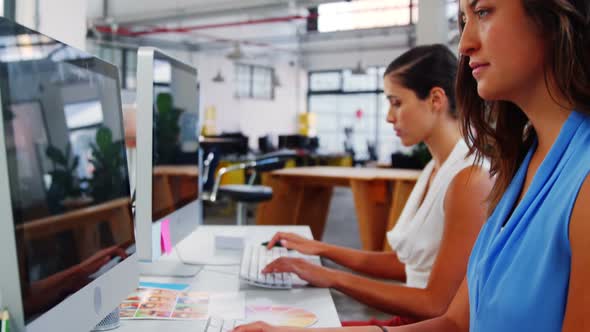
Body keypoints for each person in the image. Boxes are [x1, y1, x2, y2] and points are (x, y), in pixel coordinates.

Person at [234, 0, 590, 331]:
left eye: (482, 11)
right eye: (463, 20)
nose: (464, 43)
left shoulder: (569, 180)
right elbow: (455, 321)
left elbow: (438, 306)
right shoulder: (520, 165)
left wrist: (327, 271)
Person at [254, 44, 494, 326]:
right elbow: (408, 264)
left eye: (396, 103)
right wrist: (321, 249)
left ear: (435, 99)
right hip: (410, 321)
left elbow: (436, 304)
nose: (389, 117)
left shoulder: (469, 178)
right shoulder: (435, 167)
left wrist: (332, 277)